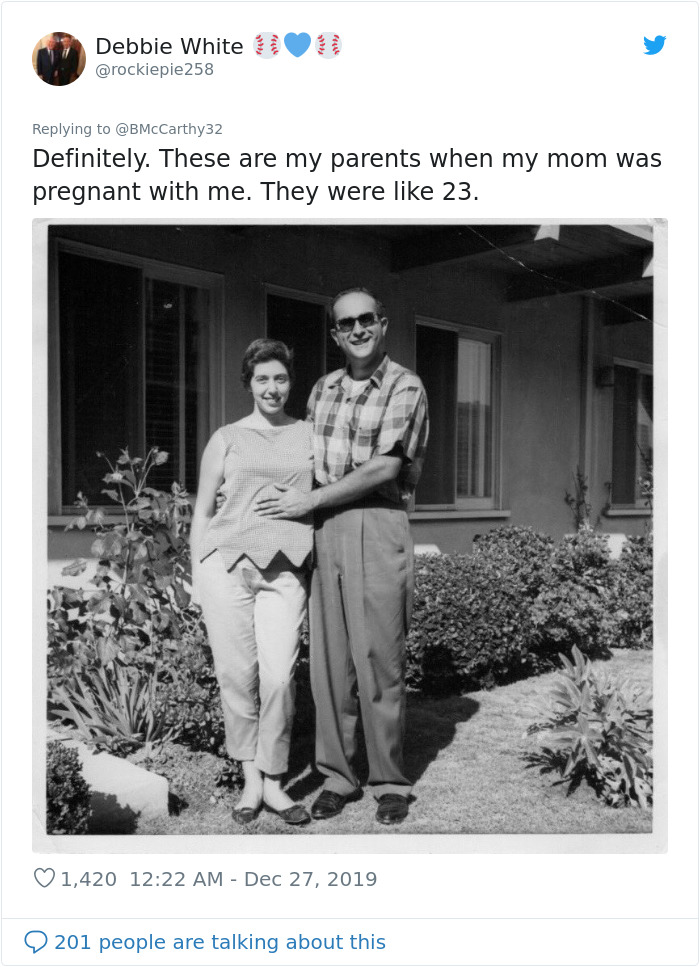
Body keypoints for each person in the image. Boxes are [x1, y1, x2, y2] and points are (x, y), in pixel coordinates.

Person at [256, 287, 429, 825]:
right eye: (346, 323)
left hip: (377, 522)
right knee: (330, 664)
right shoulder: (322, 389)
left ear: (383, 324)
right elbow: (301, 459)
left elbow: (386, 467)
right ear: (335, 333)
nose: (357, 330)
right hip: (325, 528)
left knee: (378, 657)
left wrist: (309, 500)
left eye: (366, 319)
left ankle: (389, 781)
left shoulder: (404, 385)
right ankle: (338, 776)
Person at [190, 339, 314, 826]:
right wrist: (198, 575)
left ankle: (276, 779)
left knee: (279, 677)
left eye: (280, 378)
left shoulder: (308, 435)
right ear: (249, 384)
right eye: (262, 379)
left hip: (285, 568)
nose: (272, 388)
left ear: (291, 382)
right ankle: (251, 779)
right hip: (225, 568)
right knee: (236, 676)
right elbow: (203, 512)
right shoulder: (226, 438)